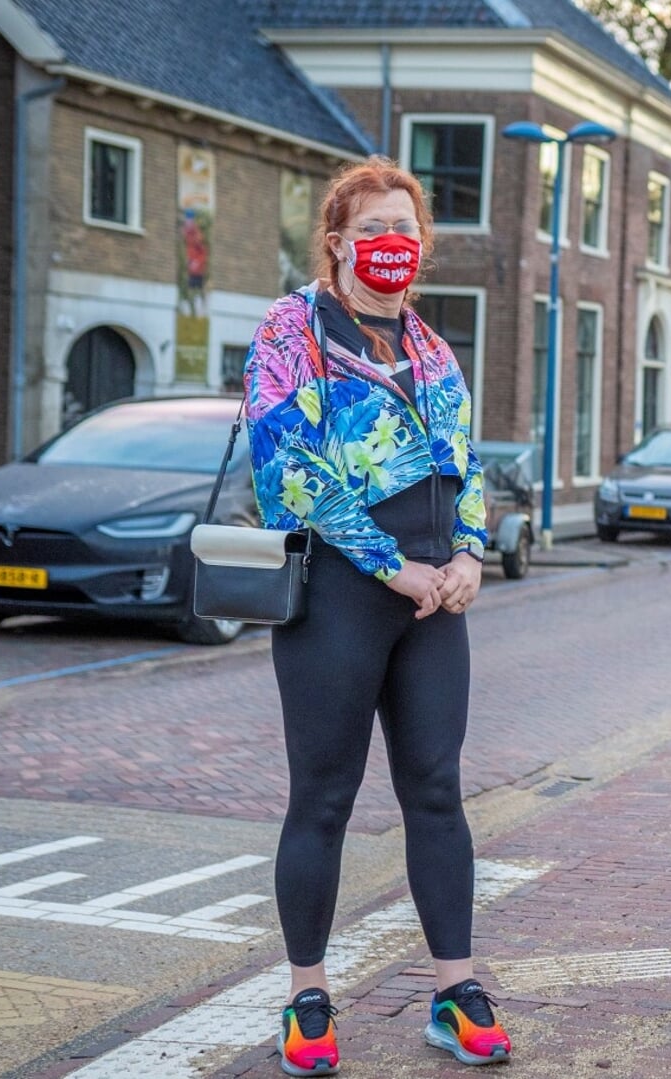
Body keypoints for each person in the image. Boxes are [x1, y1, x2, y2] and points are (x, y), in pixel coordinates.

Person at [244, 157, 510, 1075]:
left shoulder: (433, 349)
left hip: (438, 598)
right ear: (337, 240)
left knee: (436, 789)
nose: (391, 244)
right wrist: (393, 566)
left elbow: (465, 460)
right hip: (342, 595)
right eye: (373, 230)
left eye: (405, 228)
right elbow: (288, 466)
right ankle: (307, 999)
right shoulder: (294, 328)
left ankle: (456, 990)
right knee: (322, 797)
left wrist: (470, 551)